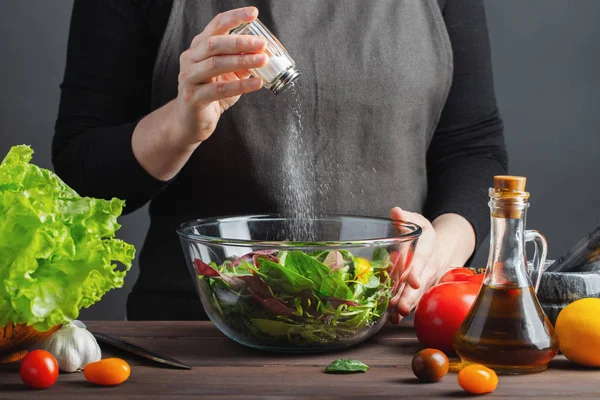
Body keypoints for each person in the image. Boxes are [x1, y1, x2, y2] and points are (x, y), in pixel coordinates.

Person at [53, 0, 507, 322]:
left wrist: (437, 251)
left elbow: (472, 147)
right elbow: (82, 173)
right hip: (200, 335)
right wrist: (180, 125)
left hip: (394, 329)